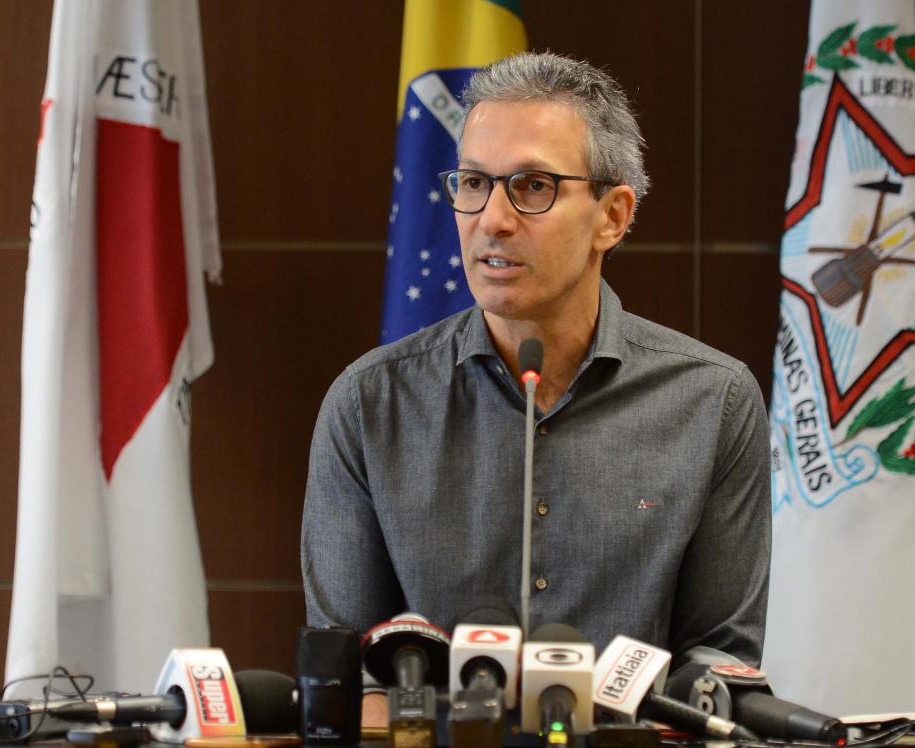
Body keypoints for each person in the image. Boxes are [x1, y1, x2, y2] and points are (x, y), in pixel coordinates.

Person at [302, 52, 771, 673]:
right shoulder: (370, 403)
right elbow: (347, 674)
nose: (492, 221)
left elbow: (719, 666)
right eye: (474, 183)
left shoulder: (713, 401)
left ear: (612, 216)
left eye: (532, 186)